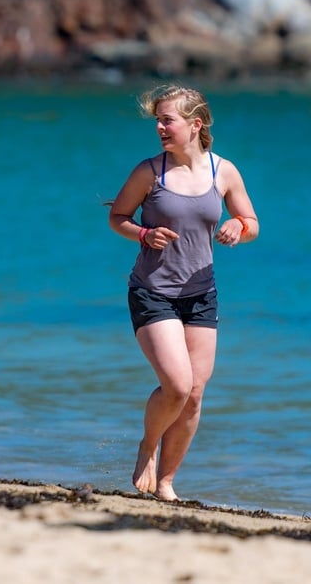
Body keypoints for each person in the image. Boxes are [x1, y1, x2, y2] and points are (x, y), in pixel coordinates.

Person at [108, 84, 258, 501]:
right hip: (152, 291)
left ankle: (167, 484)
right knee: (176, 384)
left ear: (194, 125)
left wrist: (238, 227)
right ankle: (147, 447)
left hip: (201, 294)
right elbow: (118, 217)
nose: (159, 127)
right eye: (157, 120)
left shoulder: (223, 171)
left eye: (166, 120)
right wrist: (143, 233)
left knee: (194, 395)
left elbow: (251, 221)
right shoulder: (149, 172)